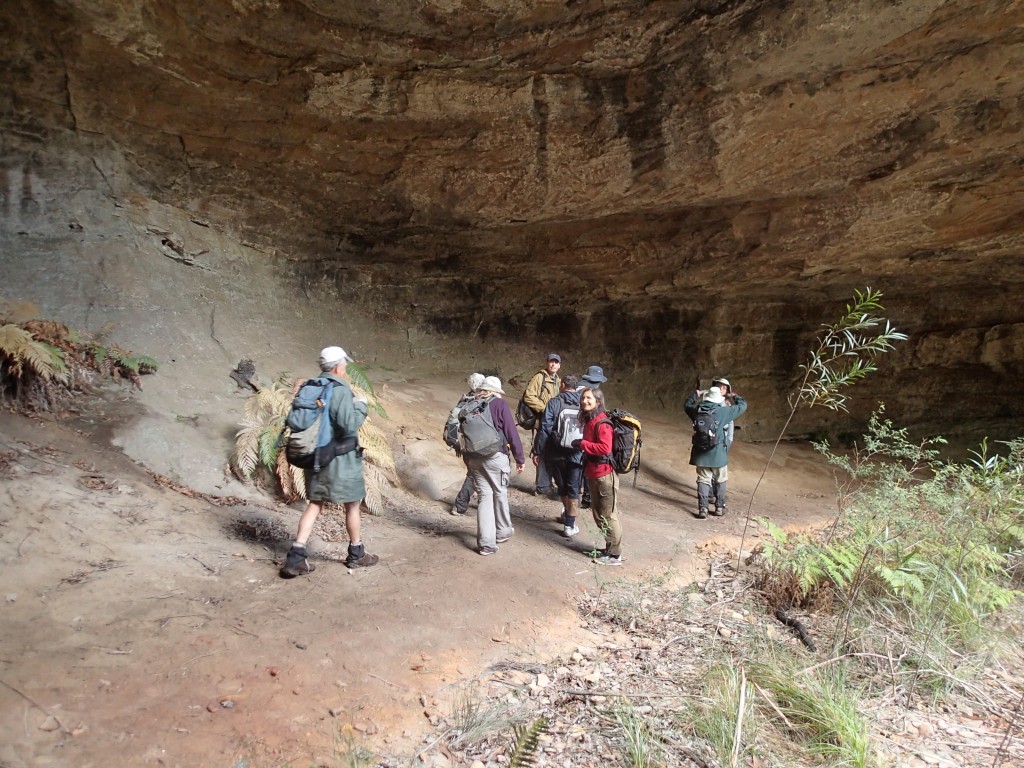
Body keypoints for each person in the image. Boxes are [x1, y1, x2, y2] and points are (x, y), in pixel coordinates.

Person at [280, 346, 378, 577]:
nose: (345, 369)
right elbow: (348, 426)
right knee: (352, 504)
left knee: (315, 503)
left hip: (316, 457)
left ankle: (296, 556)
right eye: (344, 365)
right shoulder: (340, 390)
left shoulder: (312, 386)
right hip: (340, 459)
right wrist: (361, 406)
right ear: (337, 366)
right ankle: (356, 554)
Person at [465, 376, 526, 556]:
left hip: (474, 457)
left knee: (485, 495)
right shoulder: (499, 405)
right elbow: (511, 433)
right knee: (499, 492)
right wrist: (519, 458)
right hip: (495, 456)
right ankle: (503, 531)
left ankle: (486, 544)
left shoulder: (470, 403)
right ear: (496, 391)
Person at [684, 377, 748, 518]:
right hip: (718, 452)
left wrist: (697, 394)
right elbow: (743, 405)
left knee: (703, 479)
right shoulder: (723, 412)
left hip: (700, 452)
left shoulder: (698, 411)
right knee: (721, 478)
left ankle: (703, 509)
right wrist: (735, 396)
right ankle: (719, 507)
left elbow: (686, 405)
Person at [573, 387, 623, 566]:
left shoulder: (602, 423)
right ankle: (609, 548)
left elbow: (605, 448)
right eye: (583, 398)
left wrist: (582, 444)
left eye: (589, 398)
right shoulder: (591, 420)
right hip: (594, 472)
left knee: (608, 515)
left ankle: (615, 555)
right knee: (599, 514)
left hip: (604, 475)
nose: (584, 401)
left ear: (598, 402)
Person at [532, 375, 584, 538]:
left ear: (562, 385)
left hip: (556, 452)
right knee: (574, 488)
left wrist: (538, 450)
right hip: (577, 453)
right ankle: (569, 524)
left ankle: (567, 514)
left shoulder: (554, 402)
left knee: (562, 486)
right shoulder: (584, 403)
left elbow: (545, 428)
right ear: (576, 387)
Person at [522, 353, 562, 496]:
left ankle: (547, 484)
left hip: (554, 423)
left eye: (556, 362)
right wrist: (545, 408)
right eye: (551, 362)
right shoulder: (539, 377)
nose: (553, 365)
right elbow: (528, 396)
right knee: (542, 451)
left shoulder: (558, 381)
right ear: (547, 363)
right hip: (542, 421)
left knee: (550, 452)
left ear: (559, 365)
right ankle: (542, 486)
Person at [450, 372, 486, 516]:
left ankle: (482, 500)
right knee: (474, 474)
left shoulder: (464, 399)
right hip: (477, 444)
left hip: (463, 443)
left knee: (476, 472)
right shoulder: (480, 402)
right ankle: (459, 505)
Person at [577, 364, 608, 509]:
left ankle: (584, 497)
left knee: (583, 466)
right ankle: (587, 498)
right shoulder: (590, 393)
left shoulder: (582, 390)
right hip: (584, 439)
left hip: (582, 438)